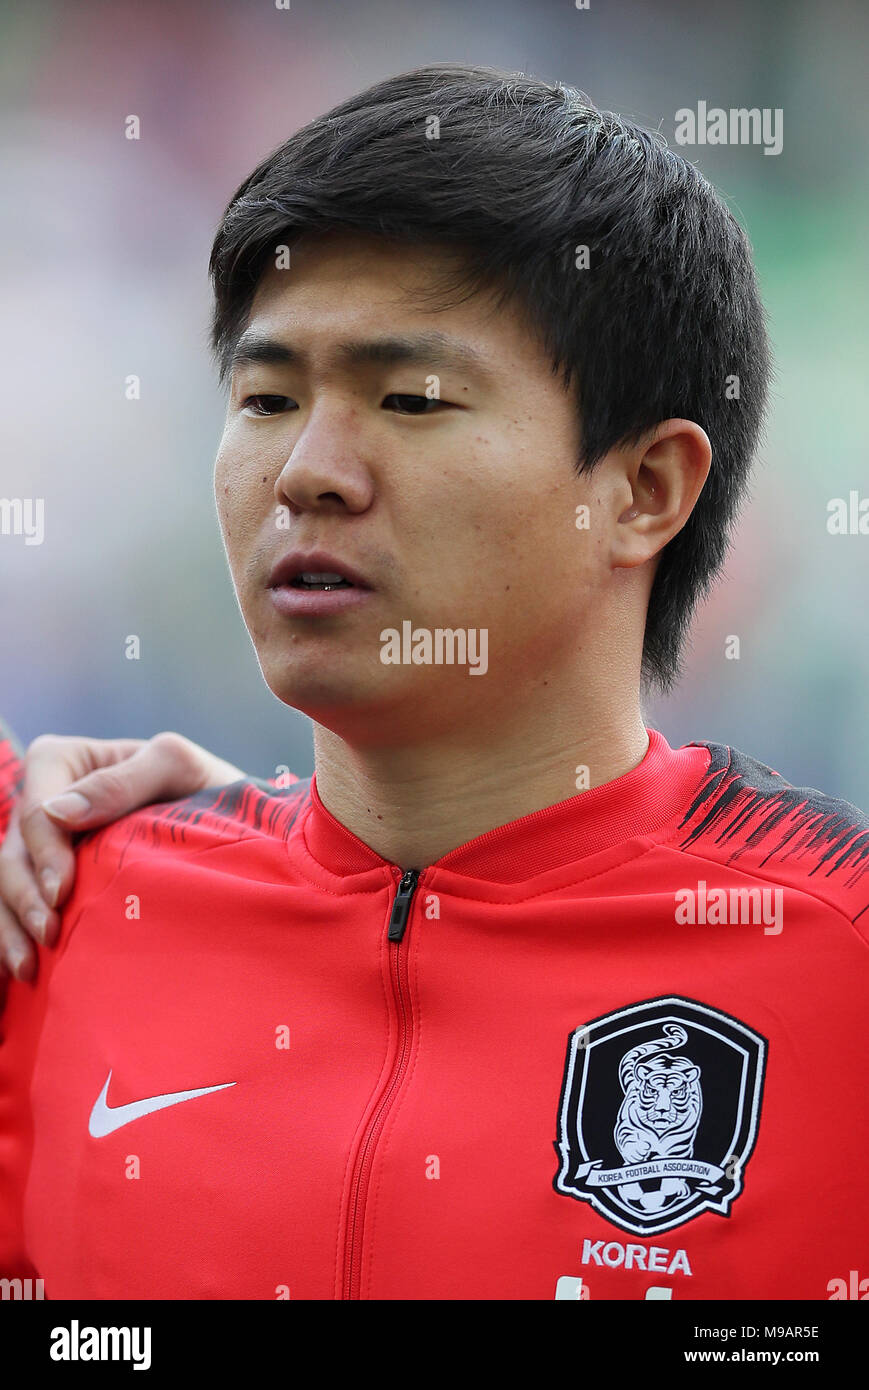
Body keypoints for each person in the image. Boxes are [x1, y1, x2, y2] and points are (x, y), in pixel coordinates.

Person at [1, 63, 866, 1302]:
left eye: (408, 398)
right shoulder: (58, 897)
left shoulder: (838, 964)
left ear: (643, 491)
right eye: (264, 397)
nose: (305, 471)